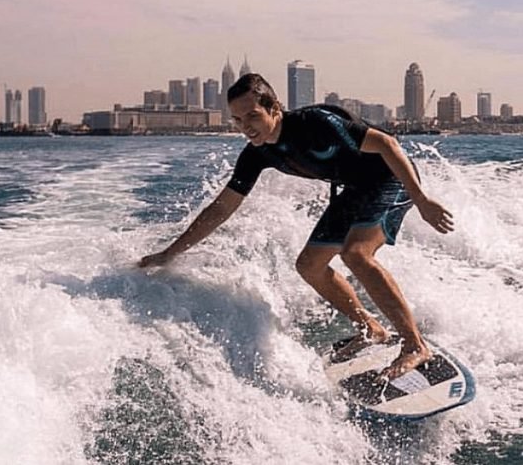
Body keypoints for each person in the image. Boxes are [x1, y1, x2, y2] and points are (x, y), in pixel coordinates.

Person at [139, 73, 454, 380]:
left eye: (252, 116)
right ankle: (370, 328)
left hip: (390, 177)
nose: (245, 127)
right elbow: (221, 208)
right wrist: (169, 253)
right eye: (237, 120)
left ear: (274, 108)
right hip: (356, 188)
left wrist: (422, 200)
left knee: (356, 254)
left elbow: (386, 144)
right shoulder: (257, 154)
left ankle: (415, 344)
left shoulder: (315, 124)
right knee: (309, 265)